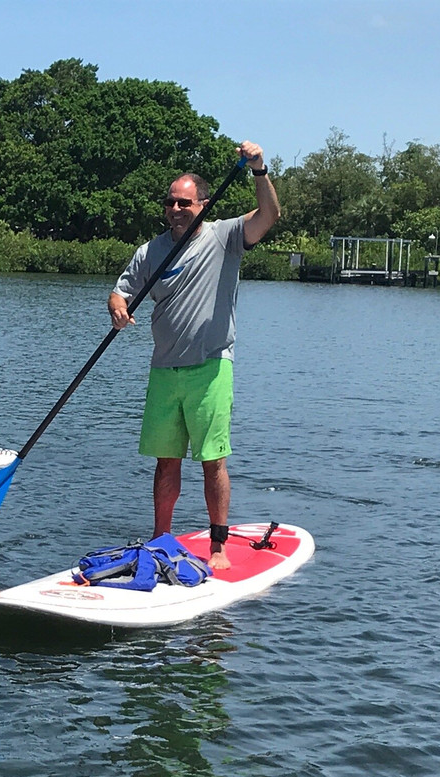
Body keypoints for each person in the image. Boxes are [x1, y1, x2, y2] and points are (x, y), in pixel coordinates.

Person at [107, 142, 281, 570]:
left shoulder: (226, 236)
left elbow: (269, 216)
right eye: (171, 202)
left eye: (185, 202)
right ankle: (160, 537)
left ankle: (218, 544)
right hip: (165, 370)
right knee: (166, 463)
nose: (176, 208)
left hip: (211, 366)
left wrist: (258, 170)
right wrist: (116, 307)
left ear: (202, 203)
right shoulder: (151, 250)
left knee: (211, 460)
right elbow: (121, 289)